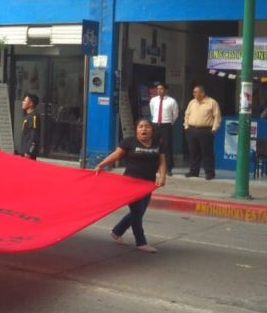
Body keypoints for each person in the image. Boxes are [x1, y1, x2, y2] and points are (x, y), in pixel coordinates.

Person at [94, 119, 167, 253]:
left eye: (147, 127)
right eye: (140, 127)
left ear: (152, 130)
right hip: (131, 184)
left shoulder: (158, 143)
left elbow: (162, 161)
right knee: (137, 212)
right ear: (136, 130)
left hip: (148, 184)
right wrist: (101, 165)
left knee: (139, 212)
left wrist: (162, 176)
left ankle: (117, 231)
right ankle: (141, 242)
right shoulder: (129, 142)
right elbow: (116, 155)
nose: (144, 129)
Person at [183, 83, 221, 180]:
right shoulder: (192, 102)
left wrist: (214, 129)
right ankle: (194, 171)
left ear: (202, 93)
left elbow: (217, 117)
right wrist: (186, 126)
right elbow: (187, 114)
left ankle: (210, 173)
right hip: (192, 130)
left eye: (195, 92)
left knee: (207, 153)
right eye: (193, 92)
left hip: (205, 131)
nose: (193, 94)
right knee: (193, 152)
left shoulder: (212, 102)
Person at [148, 83, 179, 176]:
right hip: (155, 125)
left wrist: (170, 123)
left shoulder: (172, 101)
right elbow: (152, 112)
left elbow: (175, 114)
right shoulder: (153, 100)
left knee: (167, 146)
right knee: (154, 145)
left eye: (161, 89)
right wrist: (156, 121)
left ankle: (168, 168)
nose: (159, 90)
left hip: (166, 125)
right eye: (157, 89)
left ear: (166, 90)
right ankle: (154, 166)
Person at [18, 93, 40, 159]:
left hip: (27, 154)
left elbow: (34, 136)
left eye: (25, 101)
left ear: (31, 104)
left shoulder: (33, 117)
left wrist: (29, 151)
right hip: (24, 151)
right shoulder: (27, 116)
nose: (22, 102)